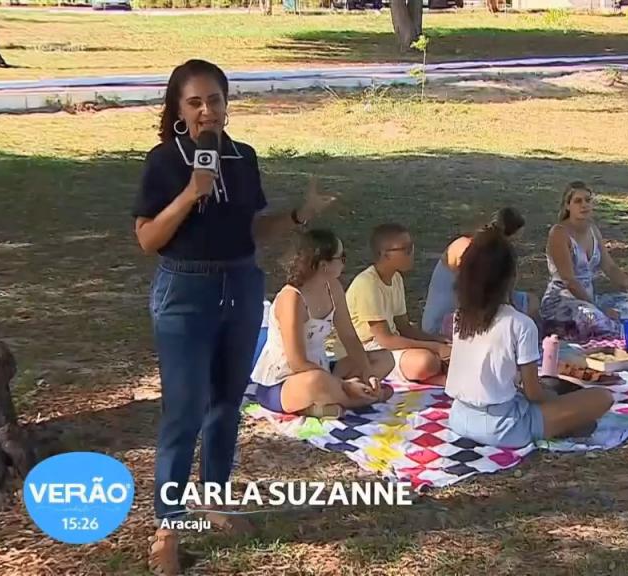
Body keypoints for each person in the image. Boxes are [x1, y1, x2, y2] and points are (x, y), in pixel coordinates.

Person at [133, 59, 333, 575]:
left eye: (215, 100)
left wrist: (298, 216)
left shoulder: (243, 158)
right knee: (184, 411)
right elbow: (148, 239)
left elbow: (252, 230)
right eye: (195, 102)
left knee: (226, 403)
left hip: (241, 284)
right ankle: (169, 528)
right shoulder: (164, 161)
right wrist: (190, 194)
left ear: (226, 104)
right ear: (179, 111)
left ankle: (214, 502)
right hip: (185, 289)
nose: (207, 110)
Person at [446, 227, 614, 448]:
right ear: (511, 277)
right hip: (503, 428)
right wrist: (555, 401)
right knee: (602, 397)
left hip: (459, 417)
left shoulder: (461, 316)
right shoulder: (520, 323)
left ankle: (564, 423)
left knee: (556, 393)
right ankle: (563, 424)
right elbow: (534, 393)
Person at [251, 229, 395, 418]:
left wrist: (368, 374)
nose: (344, 262)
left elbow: (349, 337)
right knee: (317, 382)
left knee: (384, 358)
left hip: (323, 367)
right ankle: (362, 398)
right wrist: (344, 385)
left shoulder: (333, 287)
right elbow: (297, 363)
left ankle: (331, 402)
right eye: (341, 257)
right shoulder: (292, 299)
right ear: (323, 264)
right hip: (283, 382)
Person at [540, 181, 628, 342]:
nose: (584, 205)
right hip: (563, 303)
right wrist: (599, 308)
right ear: (567, 206)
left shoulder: (593, 230)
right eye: (578, 201)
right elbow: (569, 281)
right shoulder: (559, 233)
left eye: (588, 200)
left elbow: (610, 267)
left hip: (590, 299)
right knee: (594, 317)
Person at [346, 223, 450, 384]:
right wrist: (435, 348)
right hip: (367, 351)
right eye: (406, 249)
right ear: (385, 254)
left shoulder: (396, 278)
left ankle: (439, 377)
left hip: (388, 347)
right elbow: (385, 339)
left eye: (412, 247)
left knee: (445, 350)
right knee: (427, 361)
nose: (412, 253)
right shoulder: (367, 284)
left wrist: (437, 341)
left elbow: (404, 326)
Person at [421, 207, 540, 336]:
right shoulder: (468, 248)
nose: (515, 245)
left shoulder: (491, 253)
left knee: (531, 302)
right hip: (450, 317)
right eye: (515, 240)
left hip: (482, 302)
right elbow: (473, 292)